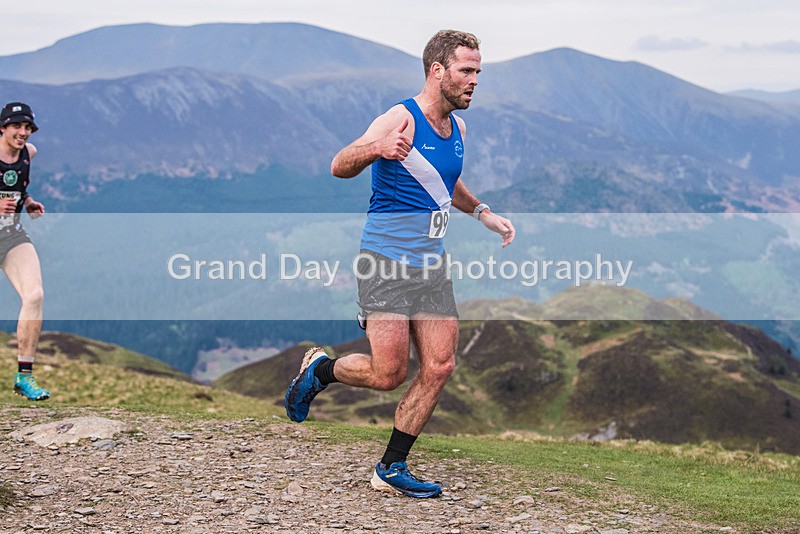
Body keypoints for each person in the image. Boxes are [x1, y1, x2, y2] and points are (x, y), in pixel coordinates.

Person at [285, 30, 514, 498]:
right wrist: (378, 149)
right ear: (437, 71)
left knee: (440, 365)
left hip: (430, 265)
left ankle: (391, 466)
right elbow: (339, 163)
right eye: (466, 71)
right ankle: (320, 371)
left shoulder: (458, 128)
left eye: (478, 73)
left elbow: (443, 183)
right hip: (385, 262)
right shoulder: (399, 118)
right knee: (388, 374)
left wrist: (483, 213)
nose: (474, 81)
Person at [0, 102, 48, 401]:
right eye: (16, 126)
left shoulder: (28, 154)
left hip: (9, 235)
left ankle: (24, 377)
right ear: (2, 127)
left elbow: (16, 186)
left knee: (35, 296)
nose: (22, 132)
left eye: (27, 127)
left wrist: (27, 201)